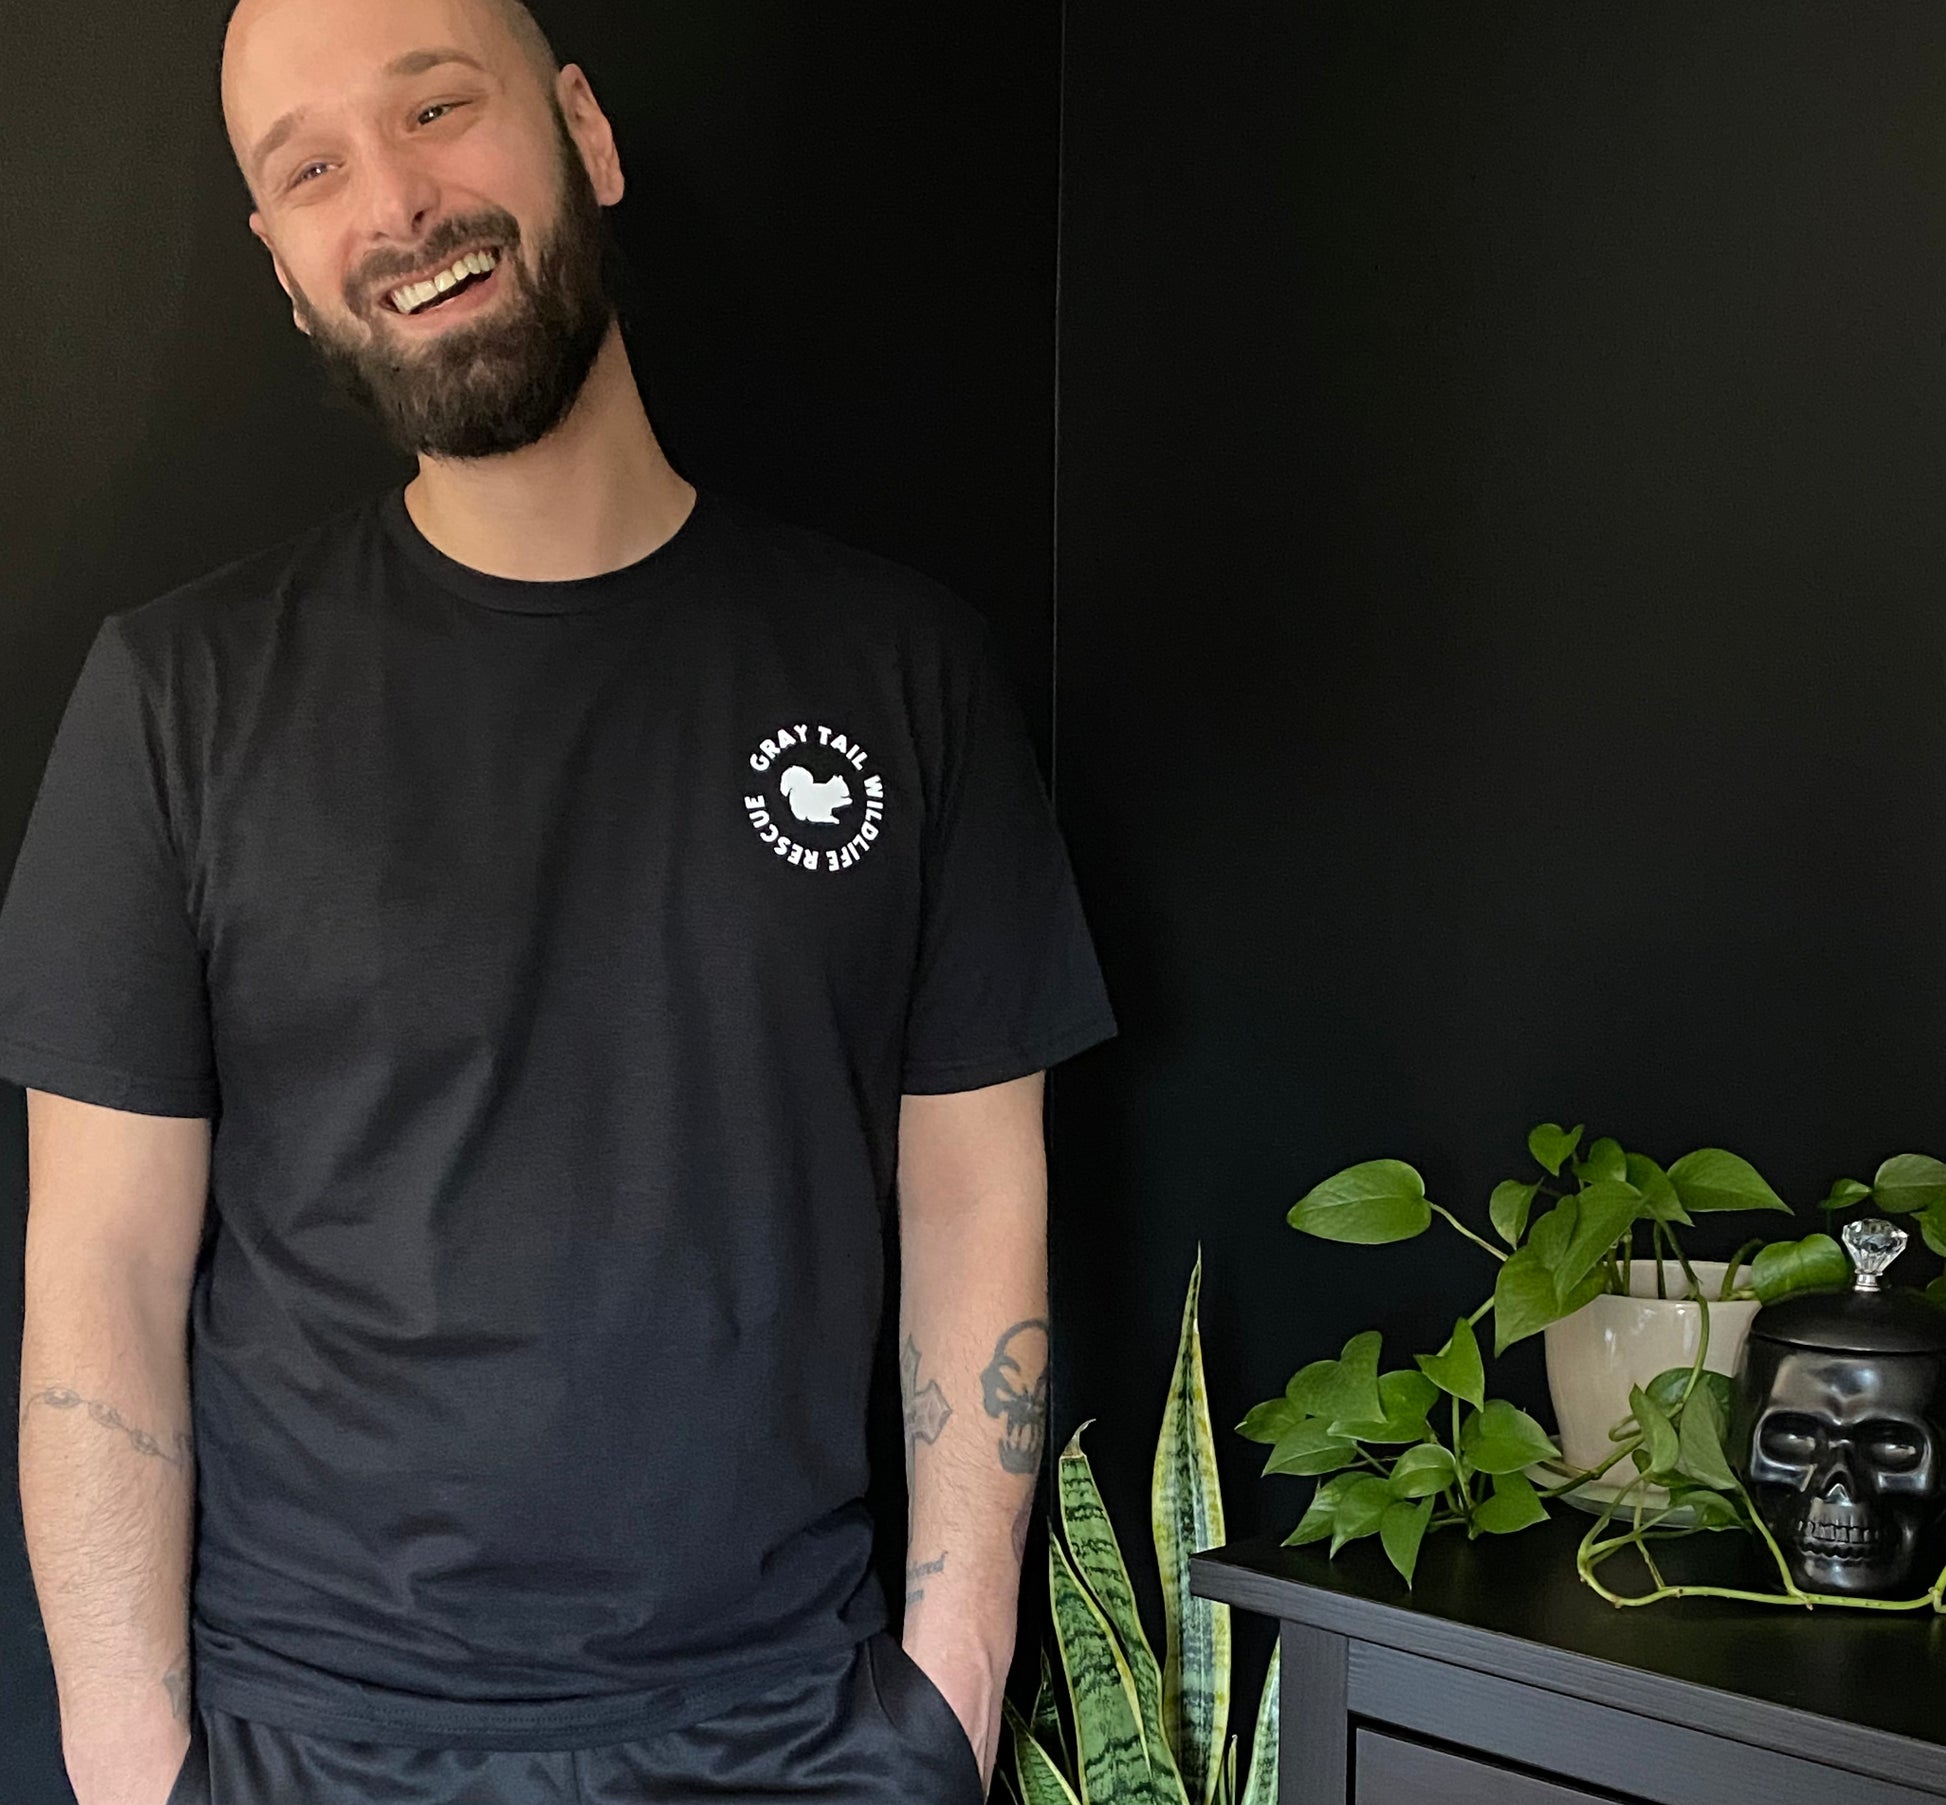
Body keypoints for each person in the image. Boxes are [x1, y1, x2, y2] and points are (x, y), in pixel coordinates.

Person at [1, 0, 1116, 1798]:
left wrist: (953, 1690)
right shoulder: (175, 702)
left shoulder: (903, 672)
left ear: (582, 130)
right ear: (283, 265)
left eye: (437, 106)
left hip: (799, 1729)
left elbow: (977, 1185)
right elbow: (101, 1269)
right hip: (311, 1744)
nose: (396, 201)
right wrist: (133, 1764)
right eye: (312, 168)